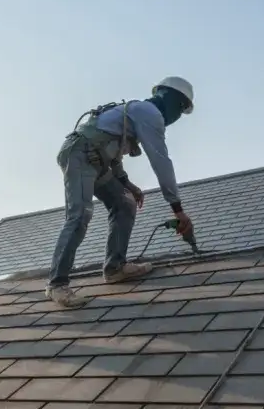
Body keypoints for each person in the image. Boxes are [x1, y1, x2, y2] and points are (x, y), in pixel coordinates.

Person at [46, 76, 196, 308]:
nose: (177, 116)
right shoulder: (149, 112)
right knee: (80, 215)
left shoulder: (136, 112)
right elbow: (161, 161)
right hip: (80, 156)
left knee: (125, 203)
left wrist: (127, 184)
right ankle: (57, 284)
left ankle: (115, 268)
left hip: (96, 159)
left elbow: (111, 151)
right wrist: (177, 209)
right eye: (181, 108)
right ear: (174, 101)